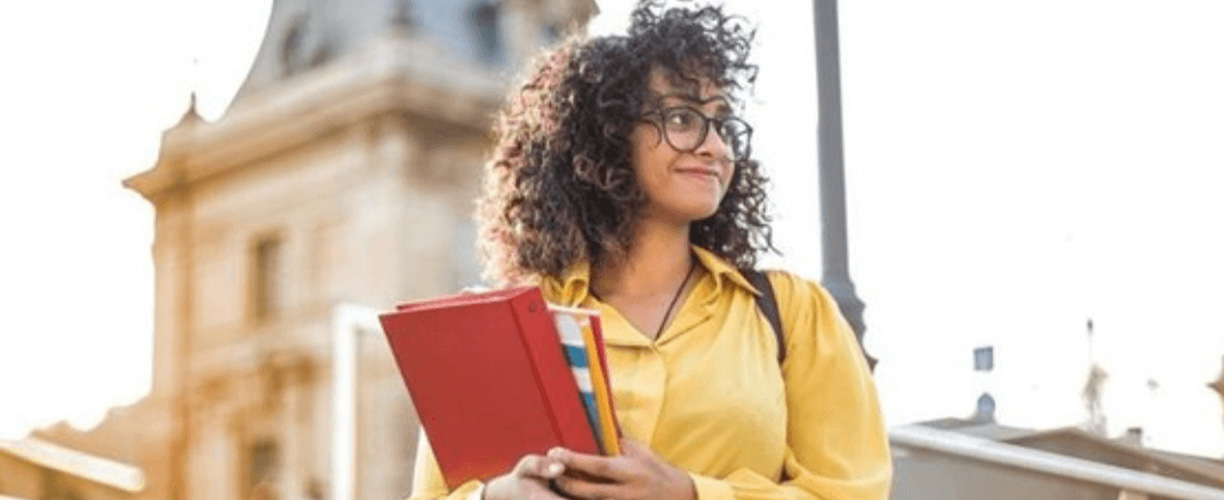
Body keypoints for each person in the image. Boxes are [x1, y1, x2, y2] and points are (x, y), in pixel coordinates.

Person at [409, 1, 892, 499]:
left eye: (721, 123)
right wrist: (499, 496)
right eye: (682, 118)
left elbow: (853, 493)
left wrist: (689, 494)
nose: (715, 146)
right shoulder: (504, 328)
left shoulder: (791, 314)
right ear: (608, 136)